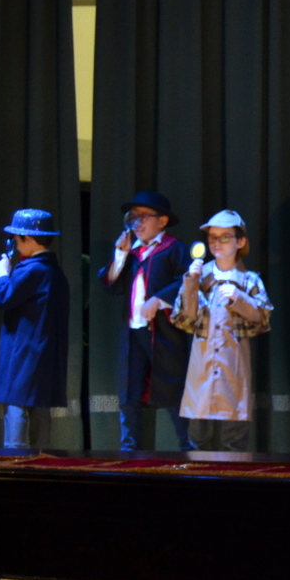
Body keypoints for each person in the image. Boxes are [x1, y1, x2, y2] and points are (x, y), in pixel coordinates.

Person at [99, 189, 193, 450]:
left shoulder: (173, 248)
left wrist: (160, 299)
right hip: (132, 332)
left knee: (173, 389)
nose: (138, 223)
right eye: (134, 217)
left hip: (164, 334)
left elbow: (187, 280)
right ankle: (129, 449)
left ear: (162, 221)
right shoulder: (132, 252)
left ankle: (189, 449)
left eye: (144, 217)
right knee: (129, 391)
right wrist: (120, 255)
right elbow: (111, 285)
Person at [174, 211, 272, 452]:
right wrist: (191, 282)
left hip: (233, 365)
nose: (217, 242)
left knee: (234, 438)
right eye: (212, 237)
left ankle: (233, 473)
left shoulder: (249, 280)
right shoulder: (200, 277)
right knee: (198, 436)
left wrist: (240, 298)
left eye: (225, 237)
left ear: (241, 242)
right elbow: (185, 316)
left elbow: (262, 317)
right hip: (202, 365)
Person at [0, 209, 70, 449]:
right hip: (44, 351)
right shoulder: (55, 272)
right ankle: (40, 458)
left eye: (17, 238)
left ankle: (13, 454)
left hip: (23, 349)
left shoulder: (32, 270)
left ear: (29, 239)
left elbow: (5, 297)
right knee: (39, 404)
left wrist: (2, 275)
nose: (15, 243)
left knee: (16, 401)